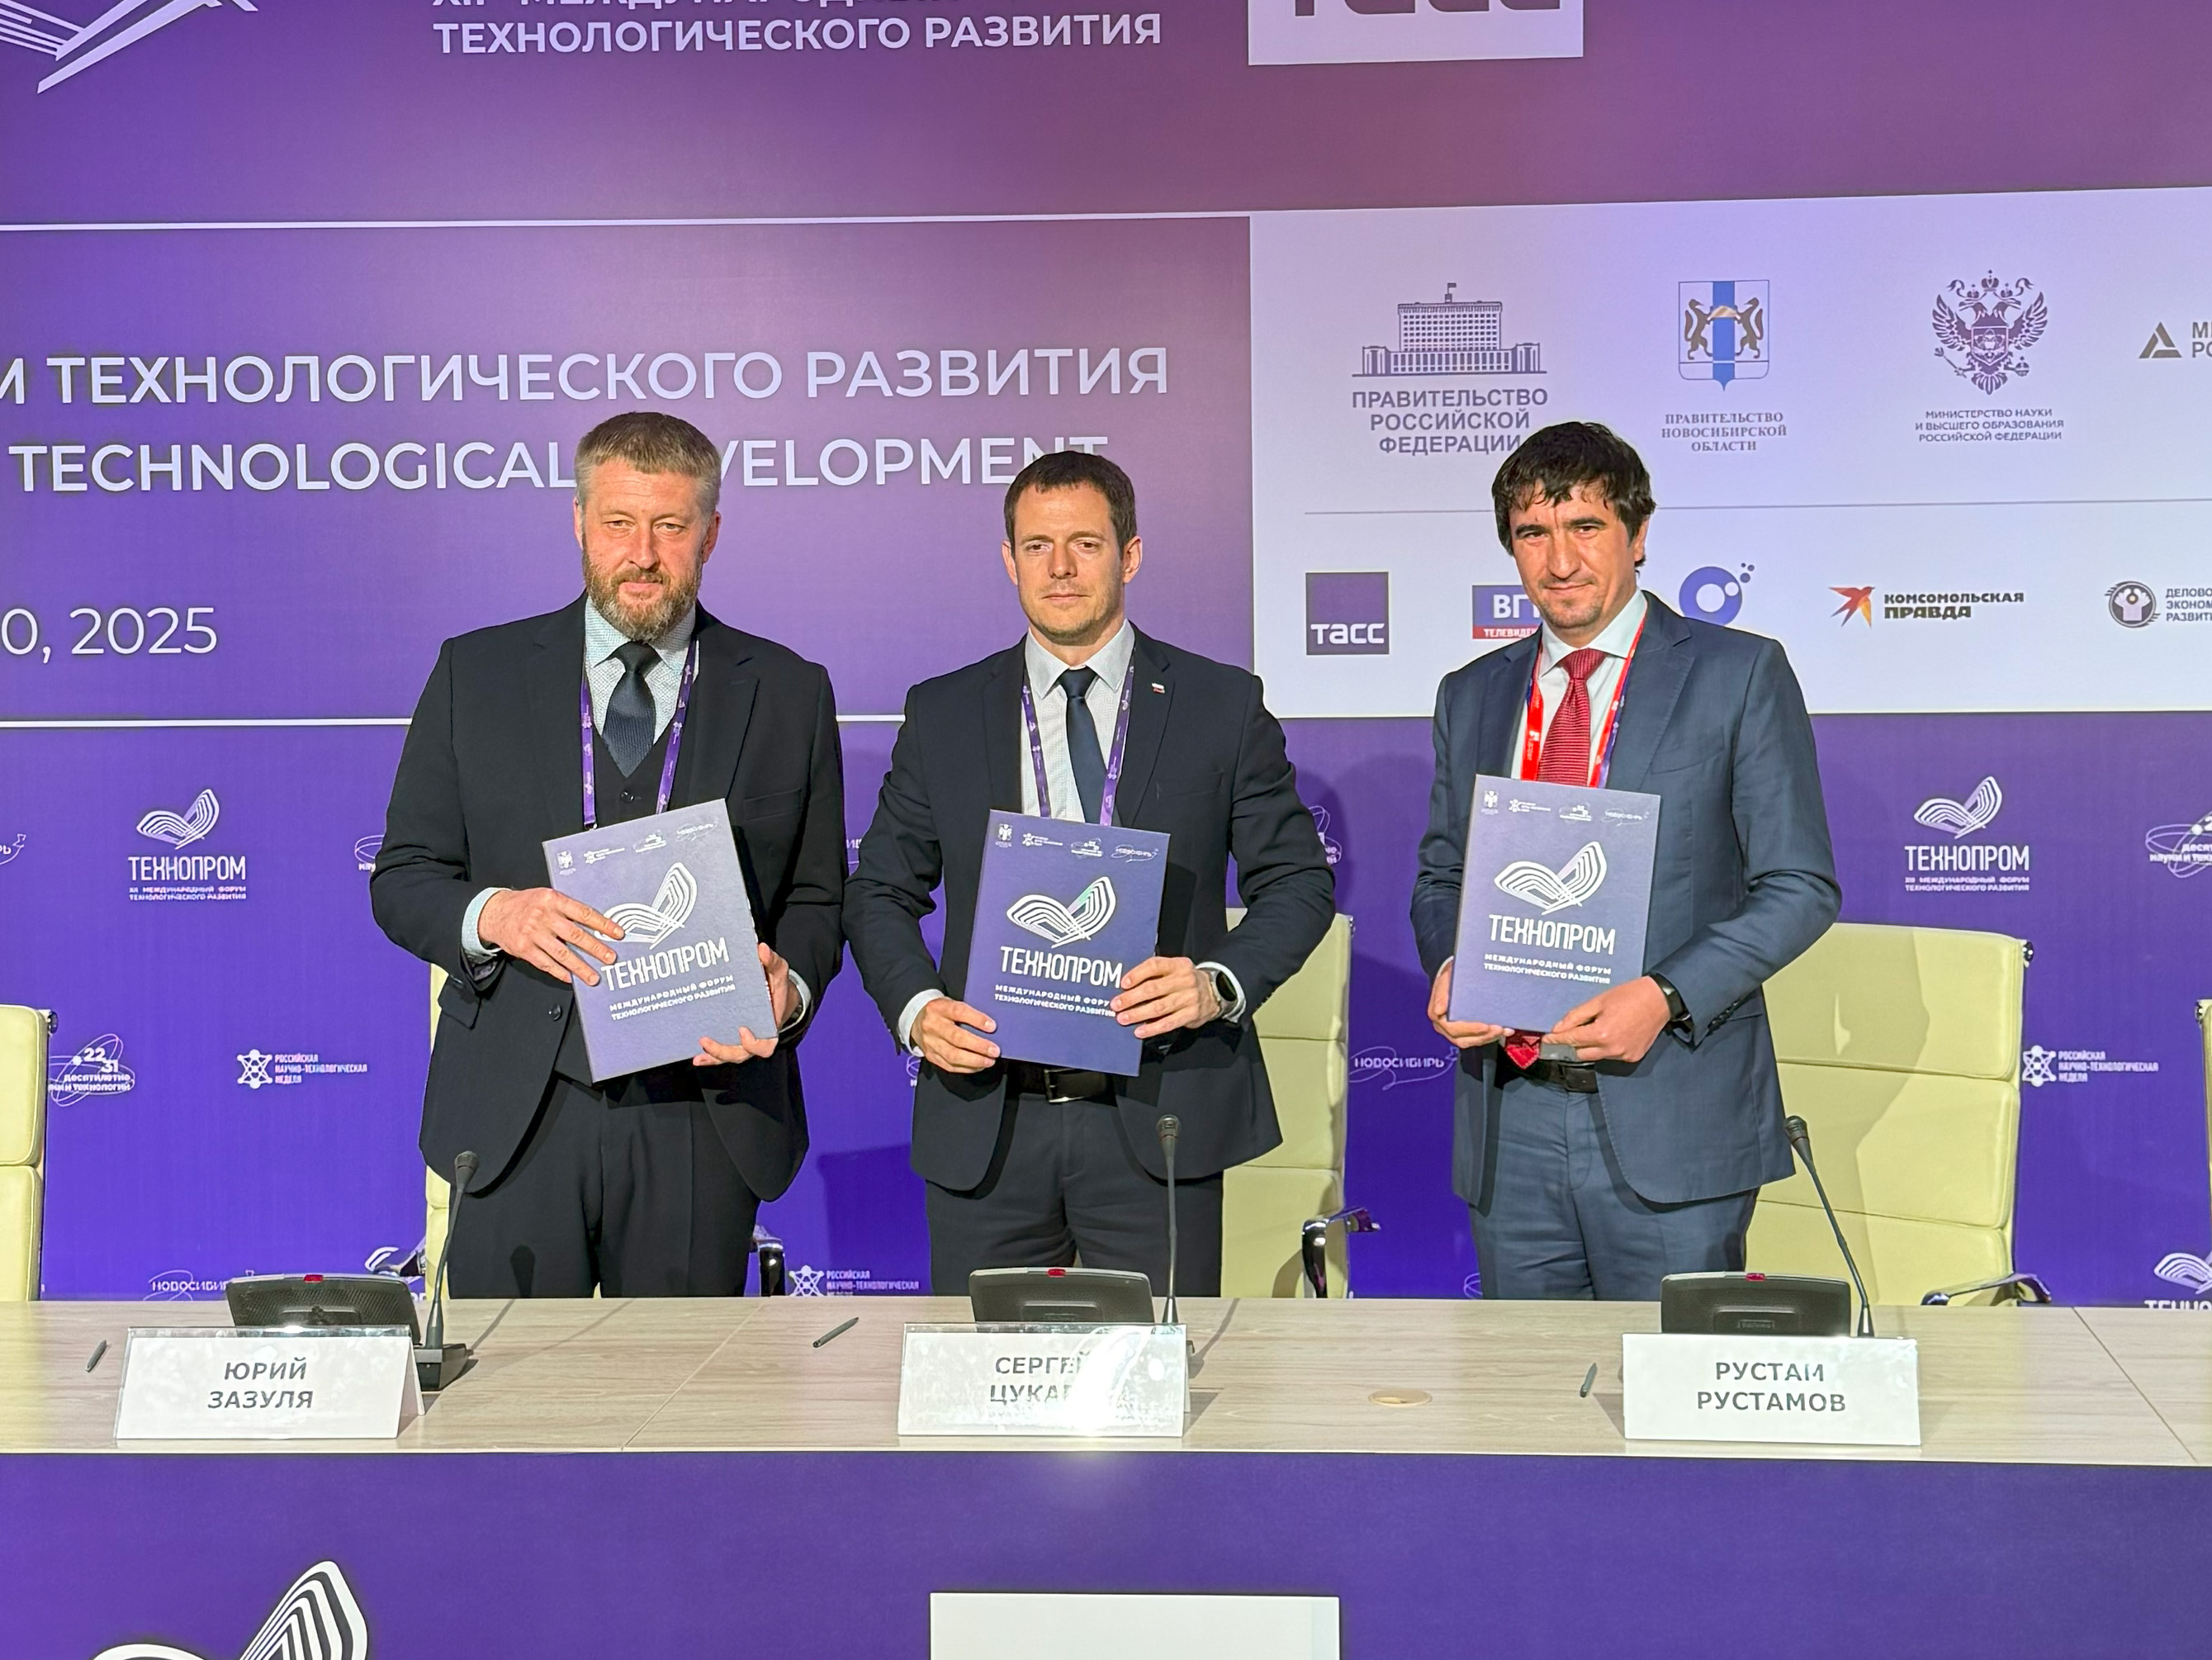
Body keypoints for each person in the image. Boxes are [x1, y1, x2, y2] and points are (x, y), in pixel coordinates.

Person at [371, 410, 845, 1297]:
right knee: (506, 1383)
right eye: (619, 523)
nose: (643, 554)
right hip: (518, 1109)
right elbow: (404, 878)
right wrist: (495, 914)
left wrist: (791, 992)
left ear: (711, 533)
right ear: (579, 522)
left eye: (670, 526)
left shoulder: (788, 691)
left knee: (679, 1385)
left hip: (701, 1113)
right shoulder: (476, 675)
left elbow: (817, 898)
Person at [845, 450, 1334, 1296]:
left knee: (1153, 1367)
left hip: (1157, 1109)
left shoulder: (1220, 705)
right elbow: (879, 890)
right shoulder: (943, 712)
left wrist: (1216, 984)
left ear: (1129, 555)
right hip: (988, 1113)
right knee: (981, 1368)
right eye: (1037, 546)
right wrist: (918, 1011)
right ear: (1010, 561)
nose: (1060, 568)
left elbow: (1297, 881)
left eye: (1085, 544)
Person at [1410, 421, 1840, 1301]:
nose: (1560, 560)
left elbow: (1798, 886)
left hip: (1672, 1110)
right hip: (1511, 1120)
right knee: (1531, 1383)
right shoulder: (1472, 694)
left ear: (1637, 535)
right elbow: (1443, 876)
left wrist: (1665, 994)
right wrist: (1454, 963)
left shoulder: (1737, 674)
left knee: (1668, 1382)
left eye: (1586, 527)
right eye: (1533, 533)